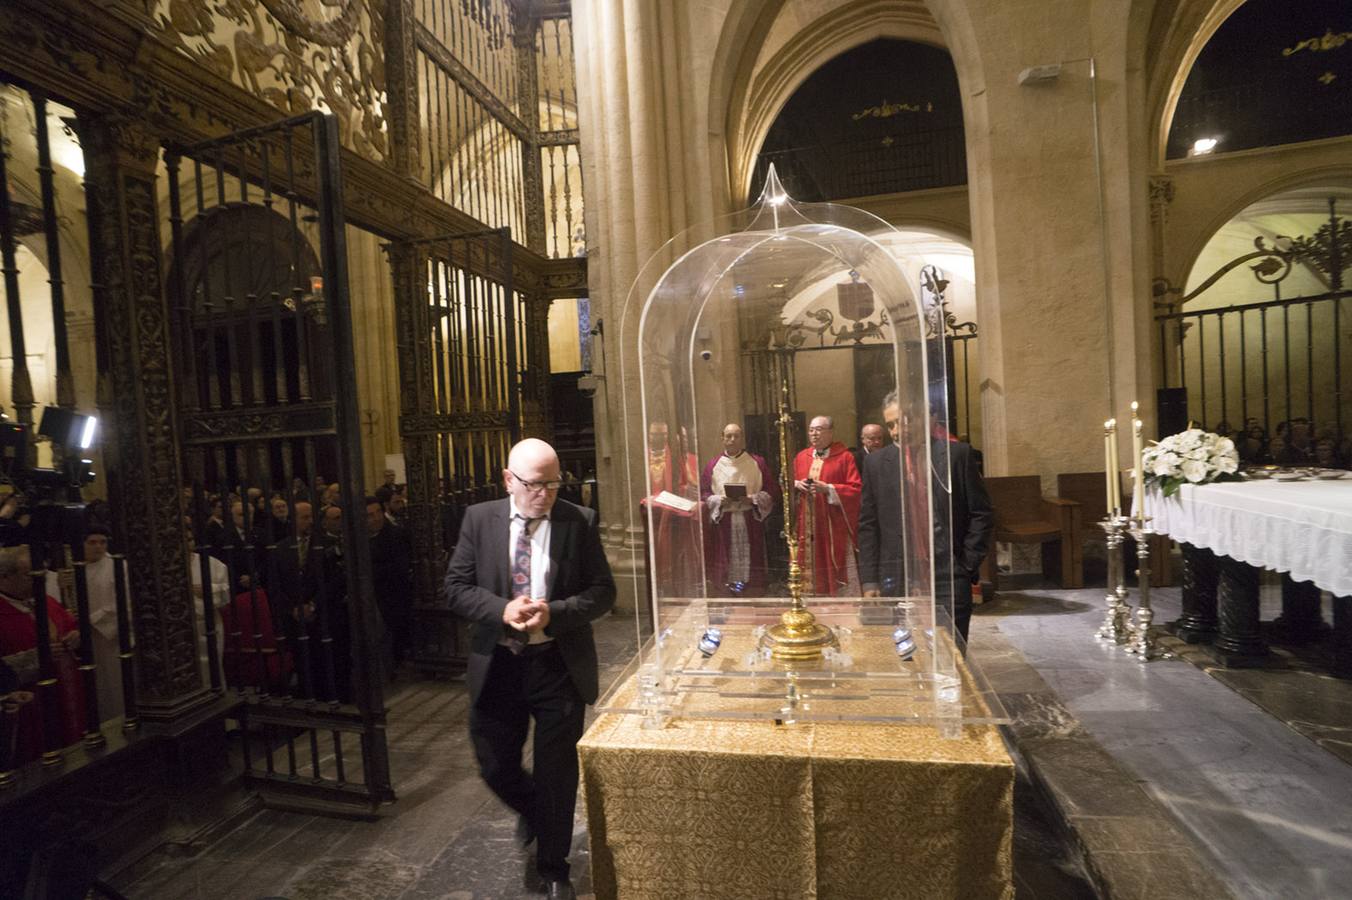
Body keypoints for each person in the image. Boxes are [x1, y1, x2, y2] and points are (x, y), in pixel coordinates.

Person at [444, 438, 615, 900]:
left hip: (557, 663)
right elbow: (455, 588)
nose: (545, 493)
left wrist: (554, 613)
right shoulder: (480, 520)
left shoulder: (578, 521)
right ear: (509, 480)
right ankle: (536, 811)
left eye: (553, 483)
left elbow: (603, 592)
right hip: (499, 663)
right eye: (534, 484)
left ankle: (553, 867)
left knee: (558, 772)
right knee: (495, 764)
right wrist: (502, 609)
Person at [859, 392, 993, 644]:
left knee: (951, 651)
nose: (897, 430)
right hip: (897, 575)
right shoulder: (876, 463)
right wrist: (869, 579)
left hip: (947, 571)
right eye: (891, 424)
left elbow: (981, 513)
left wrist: (966, 564)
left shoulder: (957, 455)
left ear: (922, 418)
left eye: (904, 420)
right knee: (906, 652)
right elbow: (868, 524)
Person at [0, 545, 85, 762]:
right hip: (27, 703)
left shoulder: (45, 601)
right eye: (31, 576)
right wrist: (37, 657)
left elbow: (71, 626)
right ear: (4, 577)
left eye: (42, 575)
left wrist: (75, 635)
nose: (40, 581)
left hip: (65, 691)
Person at [45, 525, 125, 721]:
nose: (98, 547)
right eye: (92, 542)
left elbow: (123, 605)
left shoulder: (117, 566)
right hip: (81, 637)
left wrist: (87, 624)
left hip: (108, 639)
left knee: (113, 686)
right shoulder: (78, 567)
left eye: (103, 542)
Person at [700, 423, 778, 597]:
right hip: (725, 519)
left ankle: (751, 590)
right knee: (727, 559)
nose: (732, 440)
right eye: (728, 436)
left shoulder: (757, 462)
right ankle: (728, 590)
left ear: (742, 438)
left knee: (751, 558)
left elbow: (772, 490)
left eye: (736, 436)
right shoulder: (713, 465)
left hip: (749, 517)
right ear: (722, 438)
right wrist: (719, 500)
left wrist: (753, 498)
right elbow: (704, 493)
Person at [792, 415, 862, 596]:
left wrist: (829, 488)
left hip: (832, 524)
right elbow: (789, 485)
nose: (814, 434)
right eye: (811, 430)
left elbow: (855, 490)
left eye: (819, 430)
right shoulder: (801, 457)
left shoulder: (845, 457)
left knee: (833, 563)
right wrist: (797, 485)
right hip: (807, 524)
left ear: (831, 432)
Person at [367, 495, 413, 670]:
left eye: (379, 512)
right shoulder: (356, 537)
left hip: (391, 596)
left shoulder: (395, 535)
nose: (376, 517)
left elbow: (399, 567)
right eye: (370, 514)